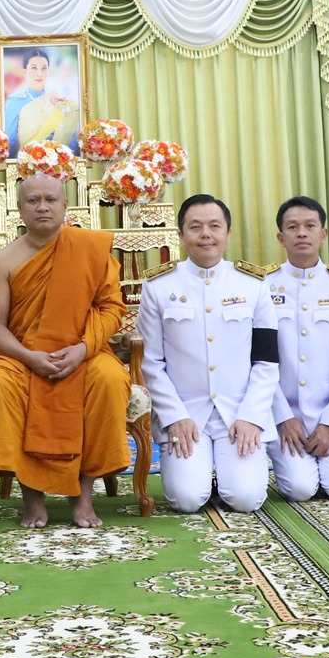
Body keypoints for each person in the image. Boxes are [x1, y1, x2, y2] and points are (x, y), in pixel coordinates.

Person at [0, 173, 130, 529]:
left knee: (108, 379)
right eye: (33, 201)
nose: (42, 207)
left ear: (65, 206)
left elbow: (112, 308)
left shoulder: (89, 249)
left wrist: (84, 348)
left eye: (50, 199)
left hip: (82, 351)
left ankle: (84, 496)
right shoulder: (3, 261)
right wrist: (29, 358)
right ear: (19, 209)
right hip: (20, 356)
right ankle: (31, 496)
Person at [138, 194, 280, 513]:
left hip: (238, 411)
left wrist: (251, 416)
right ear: (181, 235)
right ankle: (203, 471)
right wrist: (174, 416)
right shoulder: (158, 287)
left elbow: (267, 361)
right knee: (186, 500)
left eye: (214, 226)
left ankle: (223, 471)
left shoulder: (253, 284)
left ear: (227, 233)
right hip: (187, 414)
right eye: (196, 226)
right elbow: (151, 362)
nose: (206, 234)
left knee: (246, 499)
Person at [262, 196, 329, 502]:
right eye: (292, 227)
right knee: (300, 490)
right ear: (281, 237)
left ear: (324, 234)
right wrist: (282, 417)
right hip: (285, 416)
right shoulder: (263, 286)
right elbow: (260, 359)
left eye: (310, 226)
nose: (302, 233)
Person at [3, 47, 51, 155]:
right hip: (26, 162)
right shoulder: (15, 101)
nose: (39, 74)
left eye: (44, 68)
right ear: (25, 72)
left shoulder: (56, 99)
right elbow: (11, 139)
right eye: (34, 68)